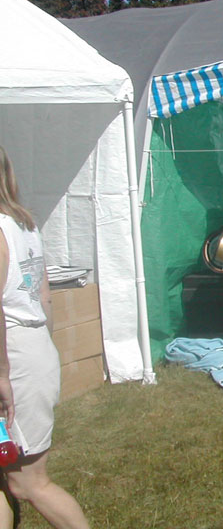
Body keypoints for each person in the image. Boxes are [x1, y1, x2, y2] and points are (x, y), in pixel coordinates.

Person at [0, 147, 90, 529]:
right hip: (31, 346)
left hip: (13, 355)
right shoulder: (23, 224)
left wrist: (4, 374)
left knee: (30, 483)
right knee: (5, 474)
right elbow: (44, 295)